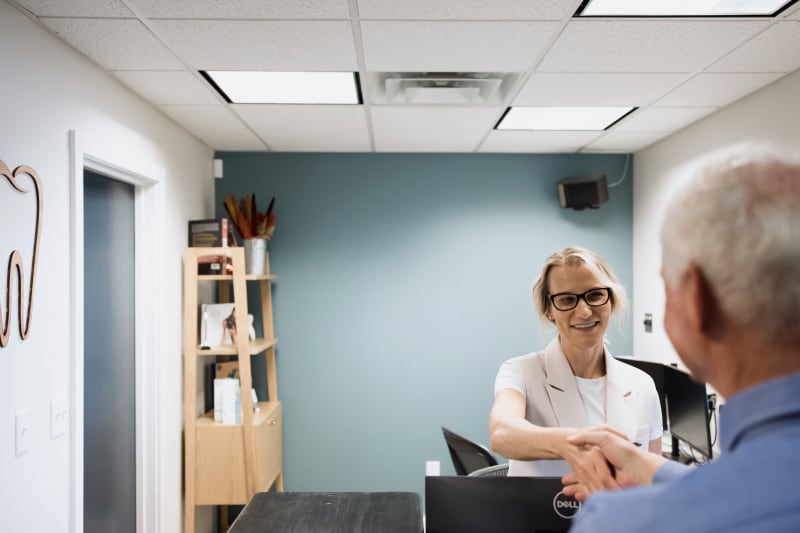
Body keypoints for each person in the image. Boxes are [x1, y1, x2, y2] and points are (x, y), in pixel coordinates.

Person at [562, 148, 800, 532]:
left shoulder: (624, 522)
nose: (584, 311)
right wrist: (650, 469)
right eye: (567, 300)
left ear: (696, 299)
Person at [489, 246, 663, 477]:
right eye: (567, 299)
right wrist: (569, 445)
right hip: (541, 513)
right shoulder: (521, 372)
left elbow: (654, 479)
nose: (584, 312)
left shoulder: (642, 384)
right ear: (550, 309)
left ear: (611, 300)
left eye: (595, 295)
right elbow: (502, 433)